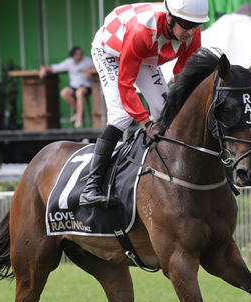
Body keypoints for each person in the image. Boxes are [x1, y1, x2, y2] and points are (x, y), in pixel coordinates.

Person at [80, 0, 208, 208]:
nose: (191, 32)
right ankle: (91, 187)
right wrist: (146, 123)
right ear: (170, 18)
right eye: (185, 25)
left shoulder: (192, 34)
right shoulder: (142, 31)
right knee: (122, 115)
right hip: (112, 52)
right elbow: (125, 83)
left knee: (166, 112)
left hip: (147, 54)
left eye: (196, 25)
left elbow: (181, 76)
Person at [39, 46, 95, 128]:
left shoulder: (87, 61)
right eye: (78, 54)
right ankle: (78, 111)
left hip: (86, 86)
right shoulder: (69, 62)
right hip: (74, 85)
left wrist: (90, 71)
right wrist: (44, 69)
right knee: (64, 93)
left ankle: (79, 119)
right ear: (73, 55)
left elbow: (97, 66)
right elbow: (55, 68)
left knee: (79, 93)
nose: (80, 55)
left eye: (81, 54)